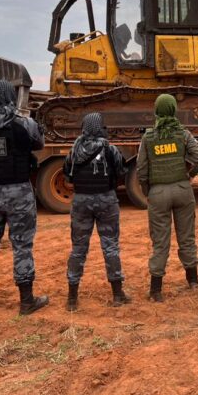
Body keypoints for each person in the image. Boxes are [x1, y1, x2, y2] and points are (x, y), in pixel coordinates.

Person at [0, 80, 49, 316]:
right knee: (22, 245)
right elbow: (39, 144)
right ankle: (26, 301)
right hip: (18, 191)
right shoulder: (24, 124)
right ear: (12, 98)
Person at [136, 94, 198, 302]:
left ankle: (156, 291)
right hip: (183, 190)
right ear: (174, 110)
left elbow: (141, 170)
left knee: (160, 243)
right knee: (187, 238)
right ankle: (193, 281)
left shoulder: (148, 137)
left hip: (158, 193)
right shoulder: (183, 134)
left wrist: (148, 191)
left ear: (157, 111)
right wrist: (190, 175)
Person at [63, 112, 129, 311]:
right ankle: (118, 294)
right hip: (107, 199)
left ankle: (72, 298)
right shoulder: (110, 149)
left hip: (81, 201)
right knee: (110, 246)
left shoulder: (74, 150)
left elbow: (67, 177)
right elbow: (121, 173)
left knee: (78, 249)